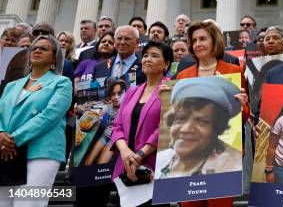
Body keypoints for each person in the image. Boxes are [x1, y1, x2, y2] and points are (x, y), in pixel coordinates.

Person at [171, 20, 249, 207]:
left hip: (223, 155)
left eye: (202, 39)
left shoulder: (233, 71)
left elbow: (244, 116)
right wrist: (166, 98)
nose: (197, 44)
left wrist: (243, 105)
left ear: (214, 41)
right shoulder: (183, 76)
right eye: (194, 40)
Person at [0, 35, 72, 206]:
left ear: (54, 57)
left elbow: (49, 116)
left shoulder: (62, 83)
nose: (37, 50)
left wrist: (12, 140)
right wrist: (1, 133)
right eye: (34, 48)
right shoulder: (11, 85)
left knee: (28, 203)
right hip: (7, 152)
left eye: (44, 48)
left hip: (41, 151)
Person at [109, 41, 173, 206]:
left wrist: (139, 155)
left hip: (154, 167)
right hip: (125, 167)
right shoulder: (132, 91)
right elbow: (117, 126)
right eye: (145, 55)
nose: (147, 59)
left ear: (166, 64)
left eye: (154, 56)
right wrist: (125, 152)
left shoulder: (170, 89)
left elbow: (166, 127)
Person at [156, 77, 242, 179]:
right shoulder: (160, 160)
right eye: (181, 118)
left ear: (217, 128)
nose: (186, 129)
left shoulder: (234, 167)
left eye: (202, 121)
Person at [83, 79, 128, 166]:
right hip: (104, 136)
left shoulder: (127, 109)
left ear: (125, 94)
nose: (115, 97)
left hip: (114, 140)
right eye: (113, 94)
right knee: (87, 162)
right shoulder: (109, 107)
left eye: (119, 94)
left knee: (101, 164)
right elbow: (100, 113)